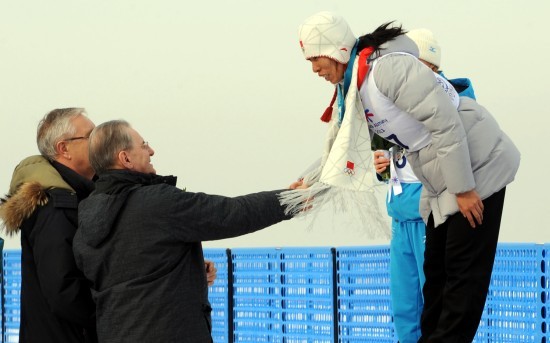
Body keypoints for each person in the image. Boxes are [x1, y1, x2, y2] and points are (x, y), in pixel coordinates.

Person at [291, 11, 520, 342]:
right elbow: (345, 147)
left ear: (337, 49)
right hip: (442, 176)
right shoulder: (356, 85)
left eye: (315, 58)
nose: (314, 69)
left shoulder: (387, 70)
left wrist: (465, 188)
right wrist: (308, 185)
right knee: (436, 272)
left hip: (477, 166)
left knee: (461, 276)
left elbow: (445, 121)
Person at [72, 120, 295, 343]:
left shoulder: (88, 216)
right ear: (125, 158)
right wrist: (292, 199)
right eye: (144, 145)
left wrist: (189, 268)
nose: (151, 150)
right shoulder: (155, 203)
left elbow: (134, 272)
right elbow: (232, 214)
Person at [371, 28, 477, 343]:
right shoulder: (392, 101)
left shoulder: (448, 99)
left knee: (436, 306)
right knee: (404, 310)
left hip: (432, 215)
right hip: (400, 218)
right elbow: (393, 158)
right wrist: (383, 167)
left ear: (429, 67)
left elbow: (455, 149)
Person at [0, 108, 98, 342]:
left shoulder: (80, 196)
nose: (100, 142)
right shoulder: (55, 205)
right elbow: (64, 291)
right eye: (91, 136)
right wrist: (114, 316)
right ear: (64, 148)